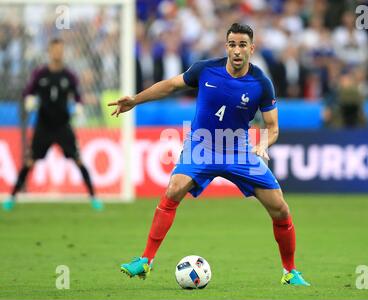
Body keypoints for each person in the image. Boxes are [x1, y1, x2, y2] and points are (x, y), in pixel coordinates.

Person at [109, 23, 310, 286]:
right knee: (174, 188)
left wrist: (263, 144)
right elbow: (170, 86)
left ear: (252, 48)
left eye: (242, 45)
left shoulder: (261, 83)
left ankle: (290, 271)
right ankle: (146, 261)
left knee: (280, 209)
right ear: (226, 46)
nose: (237, 50)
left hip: (238, 149)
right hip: (202, 145)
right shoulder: (205, 69)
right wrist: (135, 100)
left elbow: (273, 128)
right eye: (232, 44)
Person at [2, 38, 103, 212]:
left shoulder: (69, 75)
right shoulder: (40, 74)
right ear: (49, 52)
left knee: (78, 160)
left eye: (60, 50)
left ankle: (94, 197)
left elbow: (77, 95)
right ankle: (11, 197)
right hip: (44, 126)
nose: (58, 53)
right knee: (29, 161)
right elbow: (28, 92)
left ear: (63, 52)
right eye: (55, 50)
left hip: (63, 125)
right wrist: (29, 100)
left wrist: (78, 106)